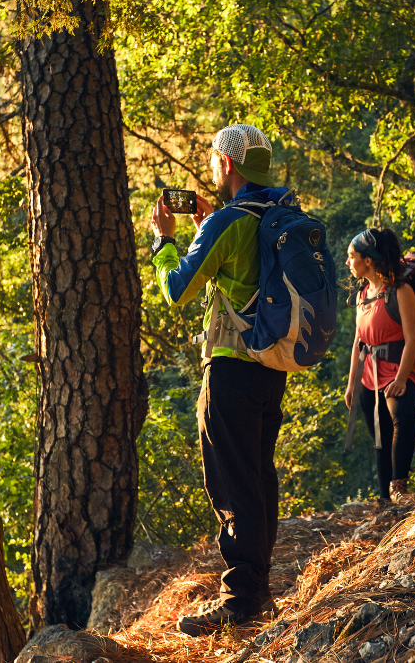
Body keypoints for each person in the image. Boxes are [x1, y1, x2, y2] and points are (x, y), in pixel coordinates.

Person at [149, 124, 288, 636]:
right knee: (258, 475)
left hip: (230, 365)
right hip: (272, 366)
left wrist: (165, 240)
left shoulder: (228, 221)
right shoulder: (275, 213)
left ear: (227, 164)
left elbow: (178, 290)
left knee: (232, 482)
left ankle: (241, 599)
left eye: (213, 158)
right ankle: (258, 589)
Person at [344, 228, 415, 504]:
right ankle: (383, 499)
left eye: (351, 256)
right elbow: (357, 344)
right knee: (380, 437)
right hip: (368, 376)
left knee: (402, 424)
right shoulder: (362, 295)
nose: (347, 262)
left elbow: (413, 337)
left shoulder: (400, 291)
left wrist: (401, 379)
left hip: (397, 371)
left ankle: (399, 487)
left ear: (368, 261)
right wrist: (351, 384)